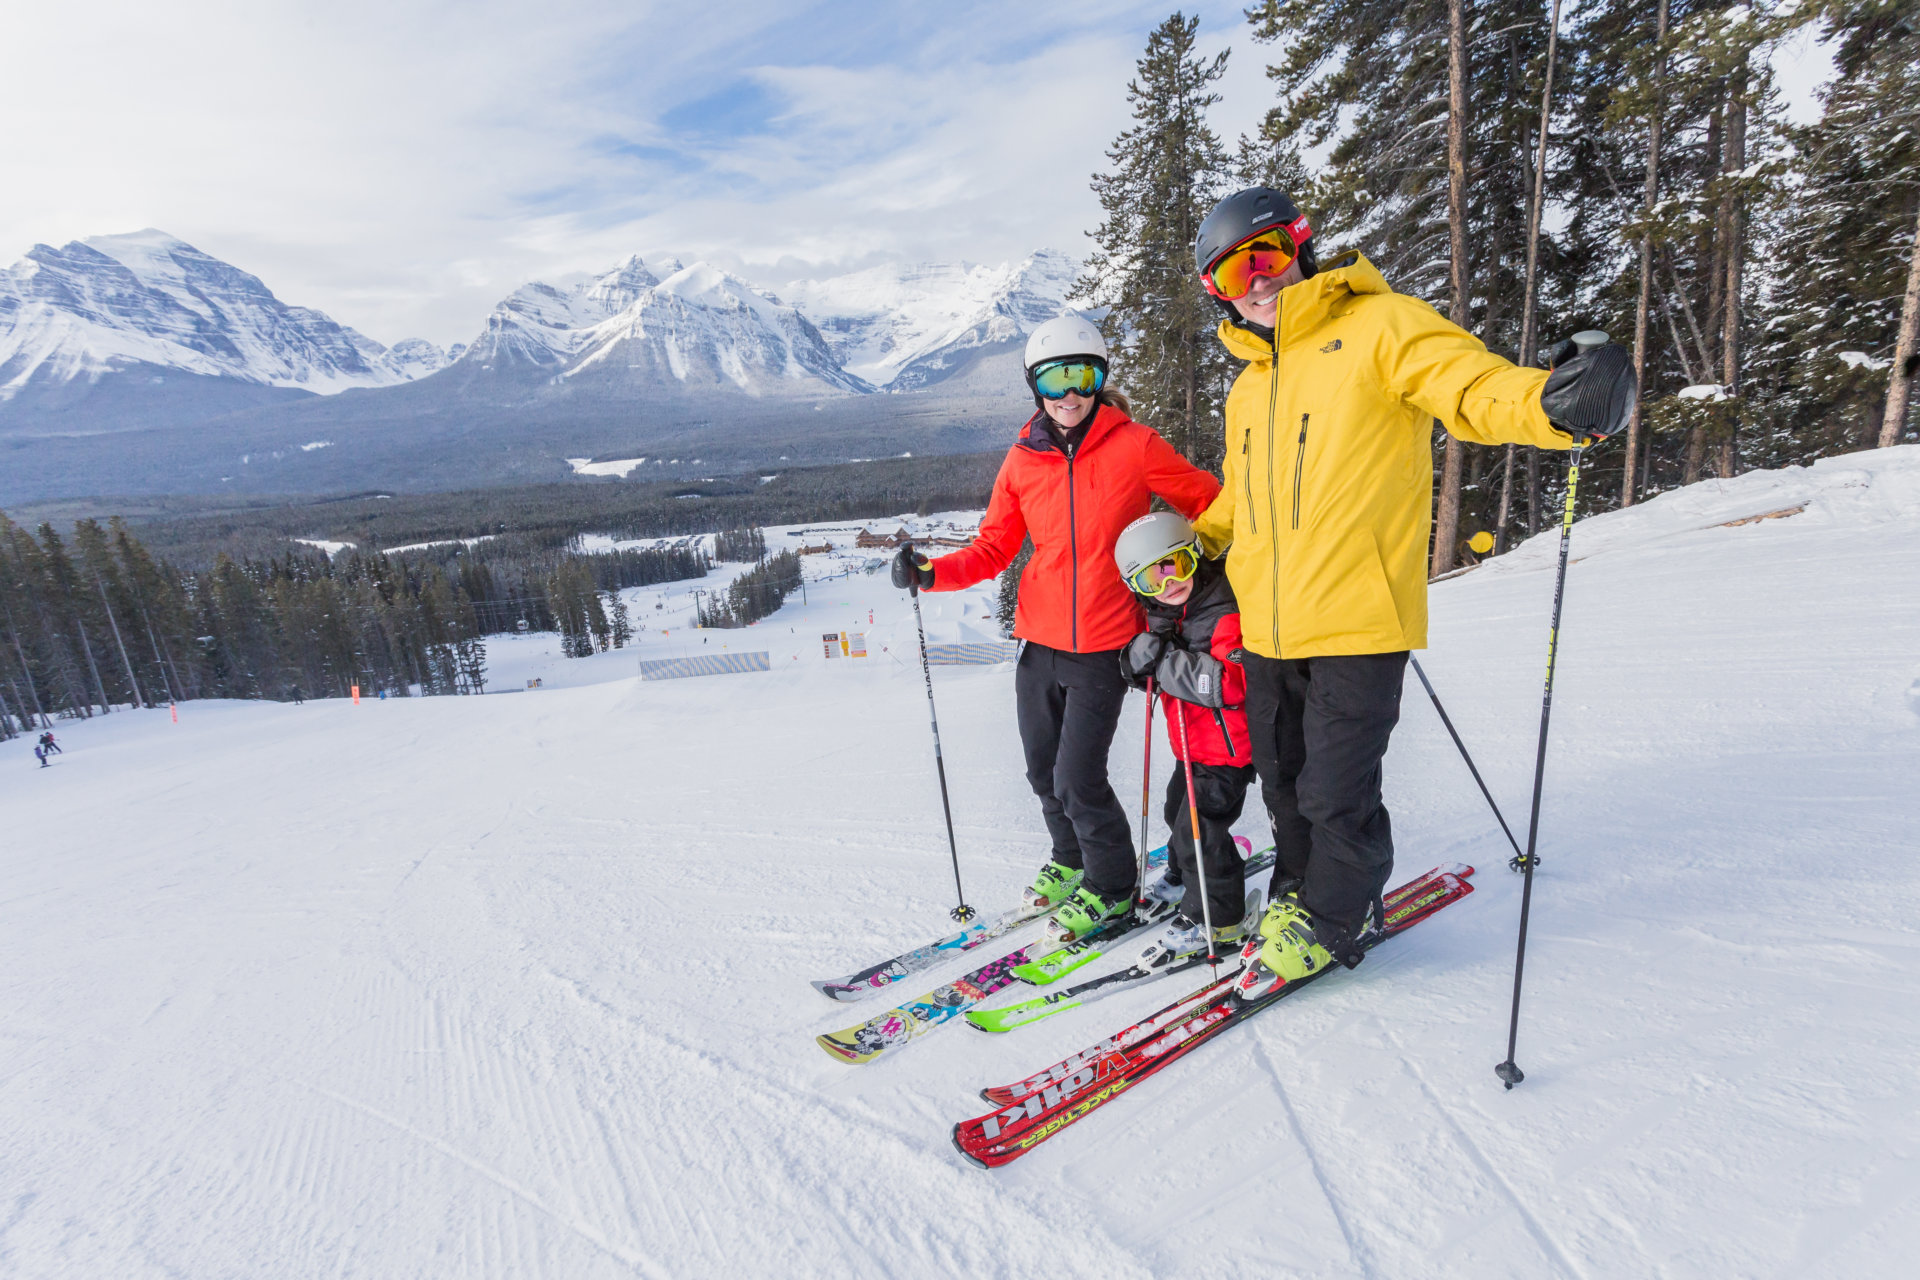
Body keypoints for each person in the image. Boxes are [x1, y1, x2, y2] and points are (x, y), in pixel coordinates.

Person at [1186, 186, 1635, 992]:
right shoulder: (1251, 383)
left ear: (1300, 247)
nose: (1256, 281)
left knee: (1335, 792)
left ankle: (1339, 916)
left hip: (1358, 617)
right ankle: (1297, 894)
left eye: (1267, 255)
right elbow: (1241, 494)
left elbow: (1471, 388)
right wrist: (1198, 544)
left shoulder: (1382, 326)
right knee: (1285, 785)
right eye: (1231, 274)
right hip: (1268, 628)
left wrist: (1550, 404)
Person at [892, 314, 1221, 943]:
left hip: (1107, 643)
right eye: (1054, 379)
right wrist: (932, 574)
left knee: (1078, 778)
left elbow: (1207, 503)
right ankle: (1070, 858)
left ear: (1099, 379)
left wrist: (1189, 581)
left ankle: (1111, 887)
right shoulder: (1022, 461)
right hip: (1038, 641)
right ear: (1034, 385)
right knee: (1042, 770)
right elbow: (994, 547)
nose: (1069, 393)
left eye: (1083, 376)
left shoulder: (1136, 446)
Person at [1112, 511, 1257, 960]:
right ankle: (1181, 876)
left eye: (1177, 565)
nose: (1169, 583)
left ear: (1195, 556)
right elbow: (1153, 672)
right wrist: (1136, 662)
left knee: (1201, 831)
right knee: (1176, 811)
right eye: (1151, 579)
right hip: (1192, 747)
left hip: (1228, 751)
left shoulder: (1225, 610)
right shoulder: (1164, 615)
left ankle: (1219, 917)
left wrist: (1163, 661)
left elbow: (1228, 684)